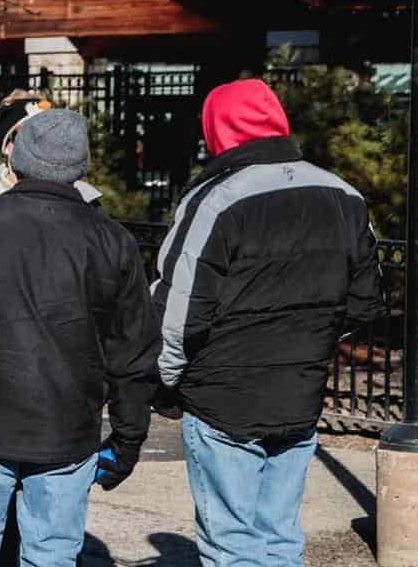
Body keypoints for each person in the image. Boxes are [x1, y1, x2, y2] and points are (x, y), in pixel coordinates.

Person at [0, 109, 160, 567]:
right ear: (79, 166)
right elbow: (133, 352)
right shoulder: (111, 240)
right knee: (51, 556)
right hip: (66, 427)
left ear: (17, 159)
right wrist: (127, 437)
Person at [151, 79, 385, 567]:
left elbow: (178, 312)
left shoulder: (213, 200)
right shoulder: (344, 195)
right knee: (280, 538)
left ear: (216, 130)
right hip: (299, 391)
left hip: (222, 396)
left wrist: (166, 380)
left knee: (232, 543)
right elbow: (365, 302)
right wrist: (309, 343)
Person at [0, 91, 101, 207]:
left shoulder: (87, 200)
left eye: (48, 133)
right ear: (7, 146)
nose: (43, 143)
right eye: (29, 135)